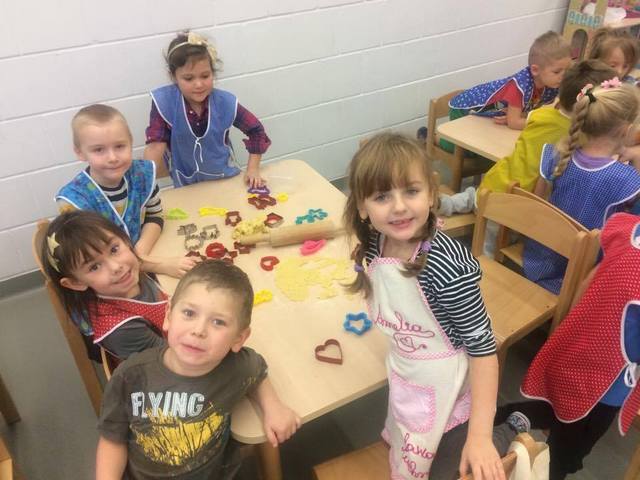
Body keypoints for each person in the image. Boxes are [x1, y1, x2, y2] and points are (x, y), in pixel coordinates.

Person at [343, 133, 524, 480]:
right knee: (413, 446)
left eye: (411, 191)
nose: (399, 207)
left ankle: (511, 425)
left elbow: (484, 351)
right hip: (409, 375)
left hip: (450, 386)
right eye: (382, 196)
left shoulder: (446, 268)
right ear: (363, 208)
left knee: (452, 466)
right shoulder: (376, 241)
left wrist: (480, 437)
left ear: (431, 193)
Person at [95, 260, 300, 479]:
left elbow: (257, 369)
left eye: (218, 322)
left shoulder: (235, 366)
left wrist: (273, 407)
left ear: (239, 338)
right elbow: (112, 440)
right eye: (189, 313)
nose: (199, 330)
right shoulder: (130, 376)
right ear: (168, 315)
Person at [496, 212, 640, 480]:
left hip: (577, 350)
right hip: (604, 383)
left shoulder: (626, 227)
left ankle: (515, 416)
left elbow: (589, 282)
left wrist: (571, 326)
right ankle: (548, 461)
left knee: (561, 413)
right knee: (570, 450)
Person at [438, 60, 617, 218]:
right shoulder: (582, 137)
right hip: (515, 200)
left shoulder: (541, 114)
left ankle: (454, 203)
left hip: (498, 178)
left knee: (478, 195)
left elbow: (530, 120)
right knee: (494, 234)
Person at [523, 79, 640, 294]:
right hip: (581, 277)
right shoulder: (627, 179)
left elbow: (535, 205)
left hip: (537, 259)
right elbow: (630, 233)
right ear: (627, 130)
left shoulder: (556, 154)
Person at [56, 104, 197, 279]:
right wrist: (159, 265)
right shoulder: (73, 202)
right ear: (80, 153)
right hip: (111, 276)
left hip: (144, 257)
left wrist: (140, 253)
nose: (112, 158)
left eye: (119, 146)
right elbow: (98, 259)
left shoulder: (142, 174)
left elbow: (155, 215)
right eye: (99, 150)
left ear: (130, 142)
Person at [144, 31, 271, 188]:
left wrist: (253, 169)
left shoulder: (225, 102)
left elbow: (256, 131)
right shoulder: (164, 103)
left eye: (205, 76)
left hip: (224, 180)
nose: (199, 84)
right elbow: (155, 146)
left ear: (213, 73)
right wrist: (145, 182)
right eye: (189, 78)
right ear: (173, 76)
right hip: (187, 186)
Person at [42, 210, 167, 360]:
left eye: (114, 249)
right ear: (76, 282)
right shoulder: (123, 329)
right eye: (94, 267)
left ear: (125, 239)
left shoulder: (129, 276)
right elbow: (174, 363)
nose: (116, 267)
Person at [447, 31, 571, 133]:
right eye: (557, 72)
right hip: (463, 109)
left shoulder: (551, 84)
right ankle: (435, 139)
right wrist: (544, 123)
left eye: (567, 70)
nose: (563, 76)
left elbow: (535, 112)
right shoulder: (519, 87)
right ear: (535, 70)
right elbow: (514, 123)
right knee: (466, 150)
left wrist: (521, 117)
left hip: (487, 117)